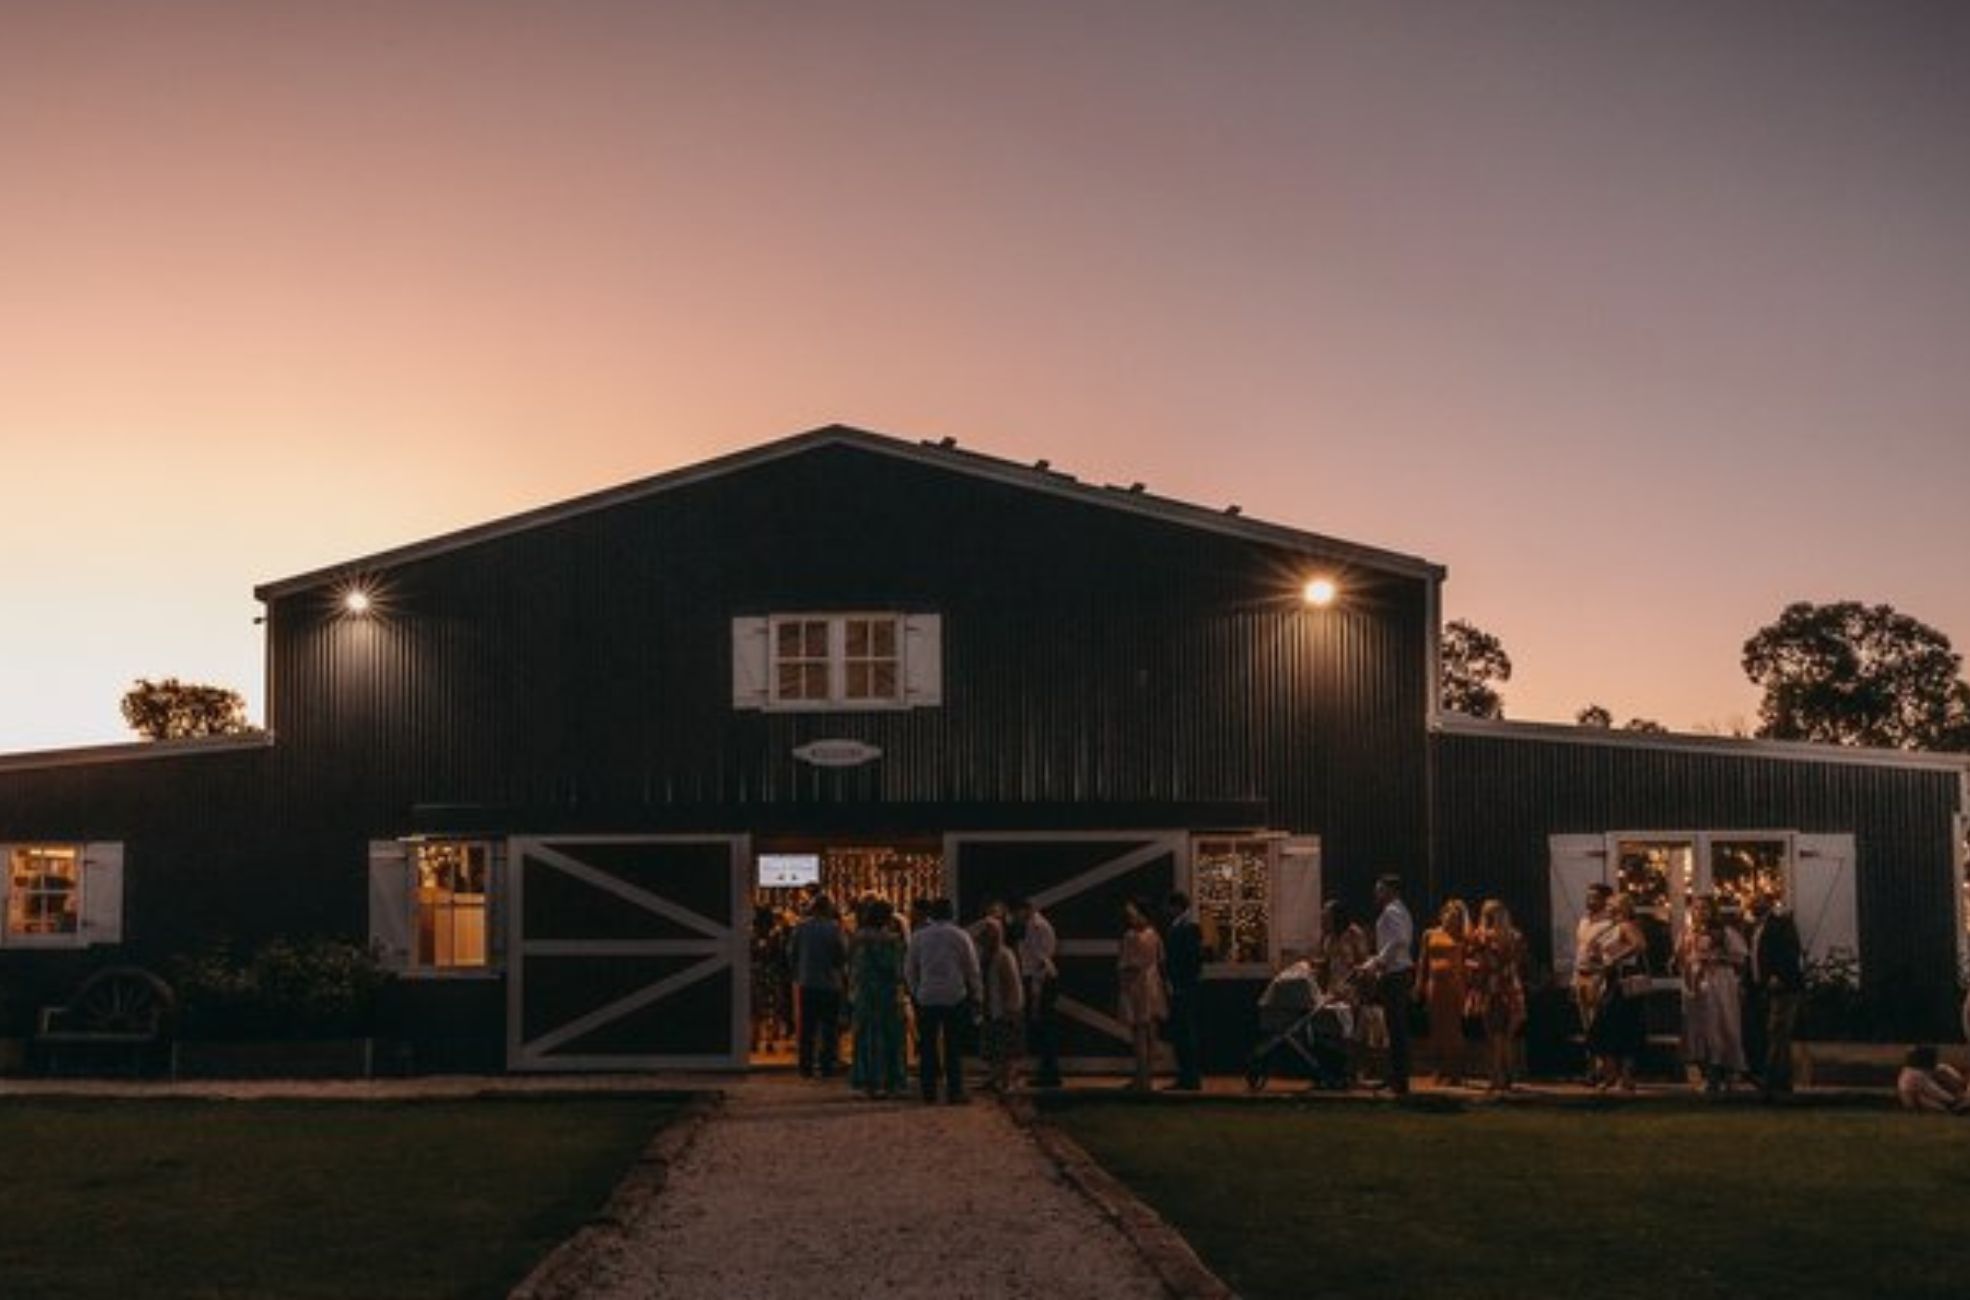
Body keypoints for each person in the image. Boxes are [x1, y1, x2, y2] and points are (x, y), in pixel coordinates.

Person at [905, 897, 981, 1104]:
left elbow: (910, 969)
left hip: (927, 995)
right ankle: (954, 1091)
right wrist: (977, 994)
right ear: (951, 914)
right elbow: (971, 969)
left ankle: (928, 1091)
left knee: (927, 1045)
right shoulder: (960, 936)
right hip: (955, 995)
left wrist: (915, 991)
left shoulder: (919, 937)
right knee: (953, 1046)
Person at [1678, 894, 1749, 1093]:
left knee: (1721, 1024)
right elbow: (1683, 957)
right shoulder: (1688, 932)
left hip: (1718, 981)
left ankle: (1727, 1071)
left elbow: (1741, 958)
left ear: (1712, 911)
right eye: (1697, 909)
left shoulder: (1724, 932)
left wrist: (1718, 957)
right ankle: (1707, 1073)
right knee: (1699, 1028)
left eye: (1704, 909)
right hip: (1695, 983)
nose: (1700, 913)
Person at [1358, 874, 1416, 1094]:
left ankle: (1399, 1081)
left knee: (1397, 1028)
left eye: (1379, 889)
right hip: (1396, 973)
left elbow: (1398, 941)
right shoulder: (1400, 911)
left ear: (1391, 890)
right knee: (1395, 1028)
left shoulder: (1392, 912)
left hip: (1395, 974)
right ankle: (1396, 1078)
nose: (1376, 894)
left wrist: (1376, 962)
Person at [1585, 894, 1649, 1092]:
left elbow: (1639, 945)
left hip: (1625, 981)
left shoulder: (1627, 925)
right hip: (1611, 979)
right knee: (1605, 1026)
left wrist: (1616, 958)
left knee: (1621, 1024)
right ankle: (1612, 1073)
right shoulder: (1611, 928)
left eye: (1611, 904)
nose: (1608, 907)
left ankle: (1625, 1075)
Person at [1744, 890, 1805, 1098]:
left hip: (1784, 987)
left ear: (1768, 904)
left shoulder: (1781, 924)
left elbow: (1791, 951)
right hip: (1761, 988)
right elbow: (1751, 958)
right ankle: (1777, 1078)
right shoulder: (1753, 928)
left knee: (1777, 1031)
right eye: (1752, 901)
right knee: (1771, 1033)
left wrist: (1778, 974)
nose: (1753, 904)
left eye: (1758, 900)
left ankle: (1774, 1079)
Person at [1465, 899, 1529, 1092]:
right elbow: (1519, 962)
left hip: (1492, 988)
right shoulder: (1515, 935)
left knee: (1494, 1036)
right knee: (1506, 1035)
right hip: (1510, 988)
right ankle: (1507, 1075)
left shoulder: (1481, 936)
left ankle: (1496, 1077)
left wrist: (1471, 966)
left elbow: (1477, 962)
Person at [848, 898, 908, 1098]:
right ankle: (889, 1081)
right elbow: (895, 969)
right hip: (886, 993)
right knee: (889, 1036)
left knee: (866, 1035)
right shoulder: (890, 940)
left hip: (864, 993)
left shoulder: (857, 938)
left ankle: (867, 1081)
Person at [787, 894, 848, 1078]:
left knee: (808, 1027)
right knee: (829, 1027)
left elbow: (791, 952)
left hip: (808, 982)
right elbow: (842, 954)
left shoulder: (801, 927)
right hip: (830, 983)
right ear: (828, 909)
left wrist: (797, 972)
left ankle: (805, 1066)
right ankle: (826, 1065)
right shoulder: (835, 928)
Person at [1414, 898, 1471, 1085]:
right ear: (1442, 914)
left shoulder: (1462, 936)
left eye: (1456, 917)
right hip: (1434, 984)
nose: (1451, 919)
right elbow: (1423, 961)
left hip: (1454, 985)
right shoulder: (1429, 934)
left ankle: (1455, 1072)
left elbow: (1467, 961)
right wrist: (1418, 985)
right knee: (1436, 1028)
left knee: (1453, 1029)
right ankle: (1438, 1070)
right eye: (1449, 915)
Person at [1117, 898, 1169, 1090]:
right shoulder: (1154, 934)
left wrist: (1124, 986)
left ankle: (1142, 1076)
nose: (1130, 919)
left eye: (1133, 915)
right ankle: (1146, 1075)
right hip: (1152, 982)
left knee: (1139, 1030)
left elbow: (1126, 964)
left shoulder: (1131, 936)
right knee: (1150, 1029)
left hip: (1138, 983)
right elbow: (1160, 959)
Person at [1009, 896, 1062, 1087]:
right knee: (1044, 1027)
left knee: (1045, 1027)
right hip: (1042, 978)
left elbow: (1040, 960)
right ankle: (1047, 1070)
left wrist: (1036, 989)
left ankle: (1049, 1073)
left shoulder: (1035, 927)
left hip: (1042, 979)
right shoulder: (1036, 925)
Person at [1573, 882, 1617, 1082]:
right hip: (1581, 975)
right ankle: (1591, 1069)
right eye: (1588, 896)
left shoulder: (1609, 924)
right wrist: (1575, 979)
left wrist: (1599, 978)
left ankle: (1604, 1071)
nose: (1590, 901)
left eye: (1595, 897)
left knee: (1598, 1024)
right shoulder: (1584, 921)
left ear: (1604, 900)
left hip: (1596, 976)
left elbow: (1609, 955)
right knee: (1586, 1025)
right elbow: (1580, 951)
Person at [976, 916, 1025, 1092]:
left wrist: (1012, 1008)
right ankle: (994, 1077)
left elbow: (1012, 983)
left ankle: (1008, 1080)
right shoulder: (985, 955)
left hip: (1004, 1007)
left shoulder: (1004, 955)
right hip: (990, 1005)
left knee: (1007, 1046)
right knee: (992, 1045)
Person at [1164, 891, 1205, 1091]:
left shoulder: (1187, 928)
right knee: (1181, 1031)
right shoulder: (1182, 927)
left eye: (1171, 907)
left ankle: (1190, 1076)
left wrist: (1181, 984)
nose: (1168, 911)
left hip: (1184, 987)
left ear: (1177, 907)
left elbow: (1192, 960)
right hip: (1182, 986)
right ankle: (1186, 1075)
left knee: (1185, 1031)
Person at [749, 905, 793, 1055]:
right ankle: (769, 1040)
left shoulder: (751, 935)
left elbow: (749, 955)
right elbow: (782, 955)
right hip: (773, 974)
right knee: (771, 1008)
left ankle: (754, 1039)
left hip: (756, 973)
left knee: (755, 1008)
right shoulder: (776, 935)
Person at [1896, 1045, 1969, 1114]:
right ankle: (1955, 1106)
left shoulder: (1912, 1070)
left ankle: (1955, 1106)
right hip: (1915, 1093)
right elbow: (1933, 1089)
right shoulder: (1916, 1073)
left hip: (1916, 1091)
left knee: (1941, 1103)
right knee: (1943, 1105)